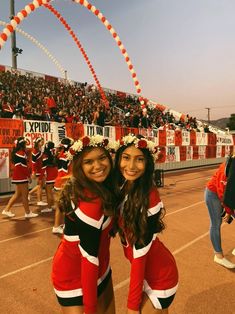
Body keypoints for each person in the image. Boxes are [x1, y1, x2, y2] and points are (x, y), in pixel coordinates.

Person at [113, 134, 178, 314]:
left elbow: (140, 255)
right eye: (126, 158)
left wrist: (132, 306)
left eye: (139, 159)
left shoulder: (151, 198)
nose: (131, 166)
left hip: (160, 274)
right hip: (143, 270)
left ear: (148, 163)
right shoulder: (124, 185)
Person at [51, 135, 116, 314]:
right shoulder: (89, 202)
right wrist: (90, 309)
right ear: (80, 166)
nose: (97, 166)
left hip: (101, 267)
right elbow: (88, 260)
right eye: (89, 162)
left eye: (102, 158)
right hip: (74, 275)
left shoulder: (104, 186)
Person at [205, 156, 235, 269]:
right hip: (213, 194)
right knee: (216, 223)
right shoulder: (227, 168)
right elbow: (224, 193)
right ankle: (218, 256)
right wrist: (228, 211)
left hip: (224, 194)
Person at [2, 137, 38, 218]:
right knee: (25, 195)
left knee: (17, 194)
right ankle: (27, 213)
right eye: (25, 143)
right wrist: (28, 176)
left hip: (18, 176)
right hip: (21, 177)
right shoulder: (21, 153)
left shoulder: (19, 152)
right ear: (22, 145)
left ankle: (6, 210)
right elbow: (22, 167)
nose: (26, 145)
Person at [52, 137, 73, 234]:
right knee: (62, 207)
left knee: (62, 206)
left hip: (59, 182)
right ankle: (56, 226)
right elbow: (67, 172)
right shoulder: (66, 156)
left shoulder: (60, 154)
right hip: (63, 183)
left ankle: (61, 225)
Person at [29, 137, 48, 206]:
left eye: (43, 141)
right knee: (40, 185)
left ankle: (30, 193)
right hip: (37, 170)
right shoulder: (35, 151)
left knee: (41, 185)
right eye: (41, 142)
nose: (42, 143)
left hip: (41, 169)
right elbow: (33, 162)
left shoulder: (40, 150)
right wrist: (33, 171)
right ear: (37, 142)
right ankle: (39, 200)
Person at [40, 141, 58, 213]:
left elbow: (44, 166)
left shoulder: (45, 154)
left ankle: (49, 207)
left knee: (48, 192)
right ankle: (54, 205)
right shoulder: (54, 152)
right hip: (55, 172)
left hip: (50, 173)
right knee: (55, 191)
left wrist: (41, 177)